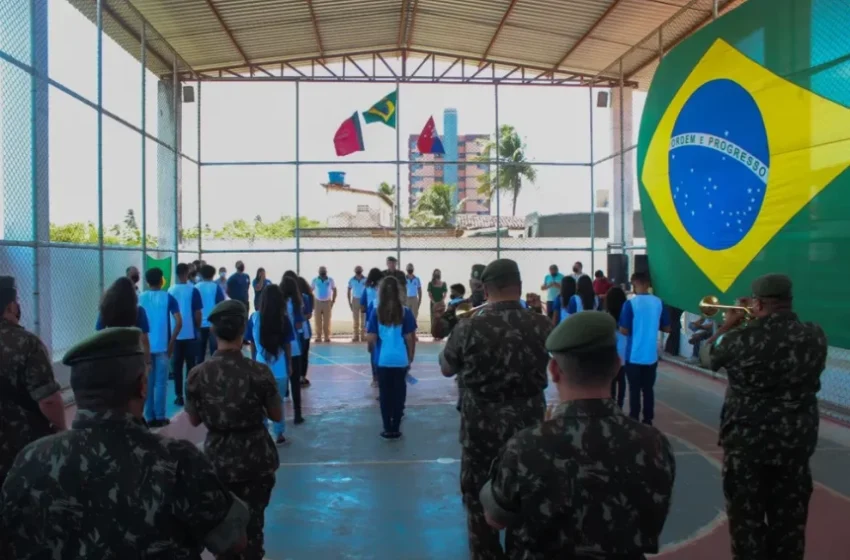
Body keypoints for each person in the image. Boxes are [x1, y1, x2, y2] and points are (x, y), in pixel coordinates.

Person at [0, 327, 250, 558]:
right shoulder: (178, 463)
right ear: (142, 386)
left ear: (77, 391)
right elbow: (232, 541)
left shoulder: (31, 460)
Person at [480, 311, 676, 558]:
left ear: (554, 370)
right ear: (617, 366)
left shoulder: (526, 446)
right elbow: (653, 521)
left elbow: (495, 518)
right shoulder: (654, 444)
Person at [708, 274, 827, 560]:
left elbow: (707, 356)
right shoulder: (814, 336)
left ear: (758, 304)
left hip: (747, 448)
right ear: (789, 300)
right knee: (789, 530)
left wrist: (729, 323)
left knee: (746, 529)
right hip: (795, 447)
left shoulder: (739, 339)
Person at [439, 258, 552, 559]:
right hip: (529, 432)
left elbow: (446, 368)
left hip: (480, 432)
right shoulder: (543, 325)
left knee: (479, 505)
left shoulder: (469, 327)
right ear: (519, 286)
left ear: (486, 290)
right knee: (526, 502)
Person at [186, 299, 284, 560]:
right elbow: (276, 414)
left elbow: (194, 419)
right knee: (253, 529)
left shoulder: (197, 374)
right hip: (256, 460)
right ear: (243, 330)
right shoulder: (259, 372)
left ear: (214, 331)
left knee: (224, 535)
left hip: (218, 461)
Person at [0, 276, 66, 491]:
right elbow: (48, 400)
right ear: (11, 306)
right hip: (20, 449)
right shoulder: (26, 343)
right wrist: (61, 429)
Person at [366, 277, 417, 439]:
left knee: (385, 394)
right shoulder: (405, 312)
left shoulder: (376, 312)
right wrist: (410, 357)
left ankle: (387, 427)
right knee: (399, 391)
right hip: (400, 357)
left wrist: (372, 352)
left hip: (383, 359)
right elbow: (410, 337)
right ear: (398, 291)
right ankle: (396, 425)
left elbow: (371, 338)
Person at [618, 271, 670, 426]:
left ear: (635, 283)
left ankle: (634, 418)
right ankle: (648, 419)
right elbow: (667, 328)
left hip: (634, 354)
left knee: (634, 389)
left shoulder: (630, 304)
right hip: (651, 355)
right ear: (648, 284)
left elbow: (624, 330)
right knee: (648, 390)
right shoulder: (659, 303)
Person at [138, 267, 183, 427]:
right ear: (162, 280)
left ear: (147, 280)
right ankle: (160, 415)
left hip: (145, 348)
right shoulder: (168, 298)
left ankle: (148, 416)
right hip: (164, 346)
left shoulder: (140, 298)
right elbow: (179, 321)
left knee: (147, 383)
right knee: (161, 383)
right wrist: (171, 342)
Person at [168, 263, 203, 406]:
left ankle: (178, 395)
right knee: (190, 366)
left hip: (175, 334)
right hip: (190, 333)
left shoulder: (170, 290)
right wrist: (197, 326)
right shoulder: (193, 290)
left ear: (176, 274)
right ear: (187, 273)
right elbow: (198, 313)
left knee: (177, 366)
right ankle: (190, 395)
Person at [95, 276, 151, 365]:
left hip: (110, 353)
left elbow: (99, 331)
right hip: (132, 354)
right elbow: (144, 339)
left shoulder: (105, 309)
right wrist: (148, 362)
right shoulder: (139, 311)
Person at [281, 276, 306, 424]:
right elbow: (298, 325)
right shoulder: (296, 303)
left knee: (280, 377)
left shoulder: (277, 303)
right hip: (293, 345)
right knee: (295, 380)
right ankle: (297, 414)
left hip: (279, 346)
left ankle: (279, 417)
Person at [605, 286, 629, 408]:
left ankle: (612, 404)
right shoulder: (626, 313)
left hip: (611, 352)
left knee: (611, 380)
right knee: (622, 379)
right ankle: (620, 405)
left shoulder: (607, 316)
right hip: (624, 351)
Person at [197, 264, 226, 363]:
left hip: (200, 323)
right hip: (213, 323)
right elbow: (221, 305)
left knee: (200, 353)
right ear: (213, 274)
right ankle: (215, 373)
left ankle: (199, 374)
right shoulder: (216, 287)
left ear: (201, 274)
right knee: (215, 352)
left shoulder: (196, 287)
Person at [360, 268, 384, 387]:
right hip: (385, 321)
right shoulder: (384, 289)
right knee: (383, 347)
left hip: (371, 322)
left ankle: (375, 378)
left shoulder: (367, 289)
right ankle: (384, 376)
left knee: (373, 350)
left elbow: (362, 307)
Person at [294, 275, 315, 386]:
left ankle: (302, 376)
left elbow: (309, 314)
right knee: (297, 354)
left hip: (304, 330)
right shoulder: (290, 300)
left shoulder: (306, 298)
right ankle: (296, 376)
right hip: (295, 332)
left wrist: (300, 317)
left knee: (304, 353)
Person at [311, 266, 336, 343]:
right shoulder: (315, 280)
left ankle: (327, 337)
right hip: (317, 302)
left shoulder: (330, 280)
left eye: (324, 270)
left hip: (327, 302)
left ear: (326, 271)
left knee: (327, 320)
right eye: (321, 270)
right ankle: (318, 336)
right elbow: (310, 290)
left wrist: (333, 301)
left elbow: (334, 290)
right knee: (317, 320)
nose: (322, 271)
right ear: (318, 271)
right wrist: (312, 301)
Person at [347, 266, 367, 342]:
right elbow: (349, 290)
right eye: (357, 270)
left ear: (362, 270)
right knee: (355, 318)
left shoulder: (366, 279)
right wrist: (349, 302)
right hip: (355, 299)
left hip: (363, 299)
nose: (358, 271)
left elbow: (369, 289)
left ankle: (363, 336)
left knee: (363, 318)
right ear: (355, 271)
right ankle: (356, 336)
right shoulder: (351, 280)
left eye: (359, 269)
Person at [427, 268, 448, 338]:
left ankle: (441, 333)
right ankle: (434, 334)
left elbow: (445, 294)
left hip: (441, 304)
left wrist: (440, 302)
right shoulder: (430, 284)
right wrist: (434, 302)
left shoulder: (443, 284)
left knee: (441, 319)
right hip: (433, 304)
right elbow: (430, 294)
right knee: (433, 318)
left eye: (438, 273)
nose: (437, 274)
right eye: (436, 273)